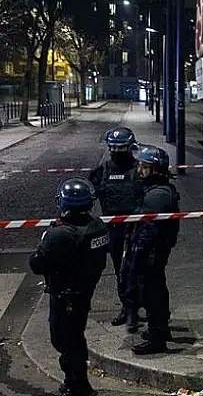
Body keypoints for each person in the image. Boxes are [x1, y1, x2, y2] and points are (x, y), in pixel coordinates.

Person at [29, 178, 109, 396]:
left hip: (66, 295)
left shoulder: (61, 234)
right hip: (85, 290)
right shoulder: (98, 226)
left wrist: (45, 243)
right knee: (75, 335)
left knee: (64, 339)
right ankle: (77, 382)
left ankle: (77, 385)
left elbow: (36, 264)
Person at [88, 127, 143, 331]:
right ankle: (128, 307)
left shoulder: (139, 169)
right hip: (114, 229)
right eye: (114, 148)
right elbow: (90, 194)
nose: (117, 152)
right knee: (120, 269)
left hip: (137, 227)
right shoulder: (102, 171)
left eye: (121, 148)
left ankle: (142, 306)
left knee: (139, 269)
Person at [129, 144, 180, 355]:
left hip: (152, 252)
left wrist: (136, 257)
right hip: (156, 250)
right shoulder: (158, 190)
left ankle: (157, 337)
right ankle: (161, 329)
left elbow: (148, 231)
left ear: (156, 170)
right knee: (157, 288)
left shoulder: (157, 196)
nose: (139, 171)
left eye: (144, 167)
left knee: (151, 293)